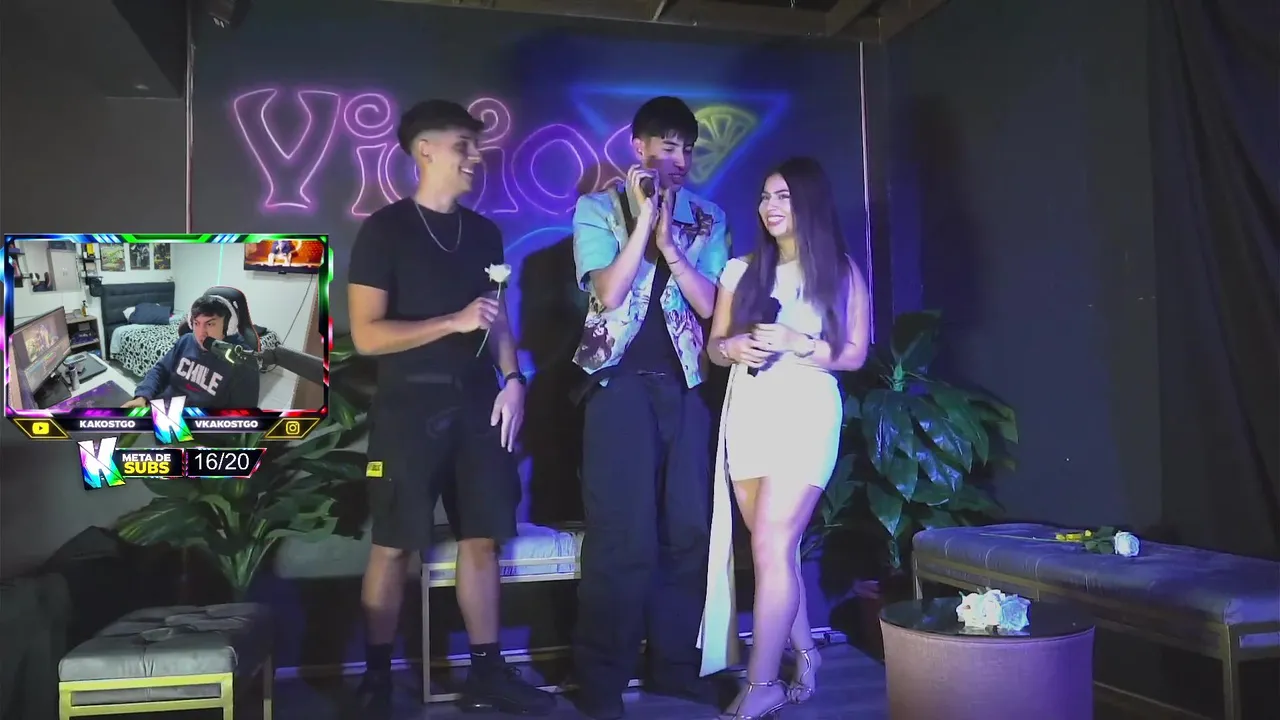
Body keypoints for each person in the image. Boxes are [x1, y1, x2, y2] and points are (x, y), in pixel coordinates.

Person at [345, 99, 554, 718]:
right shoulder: (385, 230)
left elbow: (497, 317)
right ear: (425, 151)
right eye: (463, 145)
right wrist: (451, 322)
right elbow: (367, 336)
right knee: (393, 545)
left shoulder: (484, 233)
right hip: (409, 409)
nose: (475, 157)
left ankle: (486, 673)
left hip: (479, 405)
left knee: (482, 538)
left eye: (475, 145)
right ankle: (377, 681)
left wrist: (513, 379)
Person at [569, 95, 731, 719]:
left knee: (687, 530)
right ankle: (601, 679)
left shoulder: (708, 217)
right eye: (668, 145)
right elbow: (608, 293)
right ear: (639, 147)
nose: (679, 158)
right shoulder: (596, 208)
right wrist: (642, 222)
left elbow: (712, 305)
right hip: (617, 385)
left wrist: (673, 243)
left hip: (687, 385)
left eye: (688, 148)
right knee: (621, 535)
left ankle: (674, 666)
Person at [701, 157, 871, 719]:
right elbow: (714, 347)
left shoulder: (839, 270)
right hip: (748, 411)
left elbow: (854, 354)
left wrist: (800, 343)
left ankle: (761, 683)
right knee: (774, 550)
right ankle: (806, 654)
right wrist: (732, 348)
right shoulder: (741, 270)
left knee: (772, 545)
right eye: (765, 197)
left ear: (809, 203)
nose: (770, 207)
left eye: (783, 197)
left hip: (806, 410)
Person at [123, 294, 261, 409]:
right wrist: (142, 396)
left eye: (210, 324)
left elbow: (241, 416)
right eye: (196, 323)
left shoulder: (243, 361)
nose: (201, 333)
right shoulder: (186, 341)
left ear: (228, 326)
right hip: (162, 411)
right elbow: (160, 370)